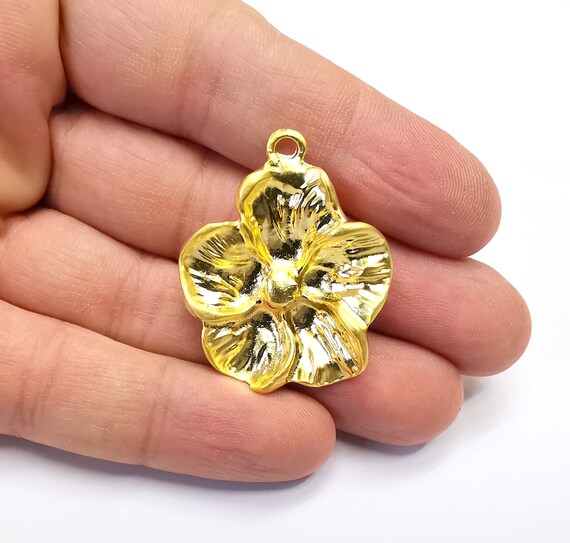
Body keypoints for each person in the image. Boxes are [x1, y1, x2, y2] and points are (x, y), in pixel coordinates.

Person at [0, 0, 530, 482]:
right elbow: (207, 265)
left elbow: (363, 267)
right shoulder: (233, 269)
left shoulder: (345, 262)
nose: (279, 283)